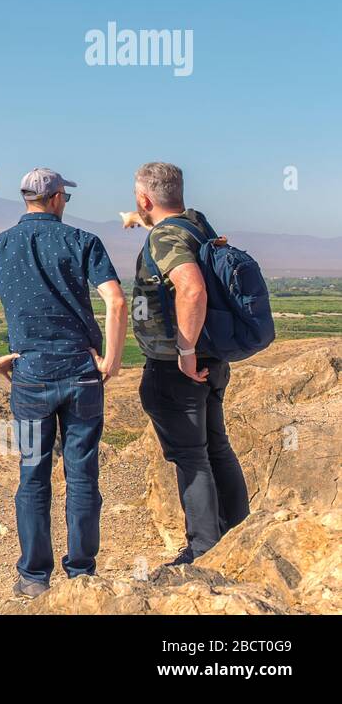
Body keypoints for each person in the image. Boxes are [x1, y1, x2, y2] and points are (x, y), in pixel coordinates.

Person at [0, 168, 126, 598]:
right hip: (82, 373)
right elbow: (116, 300)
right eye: (64, 196)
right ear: (54, 200)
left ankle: (34, 577)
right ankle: (82, 572)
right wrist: (112, 359)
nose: (65, 202)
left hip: (30, 376)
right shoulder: (83, 241)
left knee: (33, 475)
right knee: (82, 474)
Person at [125, 162, 249, 564]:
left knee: (191, 457)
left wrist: (184, 350)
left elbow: (192, 289)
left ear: (145, 198)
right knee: (216, 447)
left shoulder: (165, 237)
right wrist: (142, 220)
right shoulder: (197, 224)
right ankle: (237, 534)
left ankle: (204, 549)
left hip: (177, 366)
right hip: (214, 359)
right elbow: (174, 236)